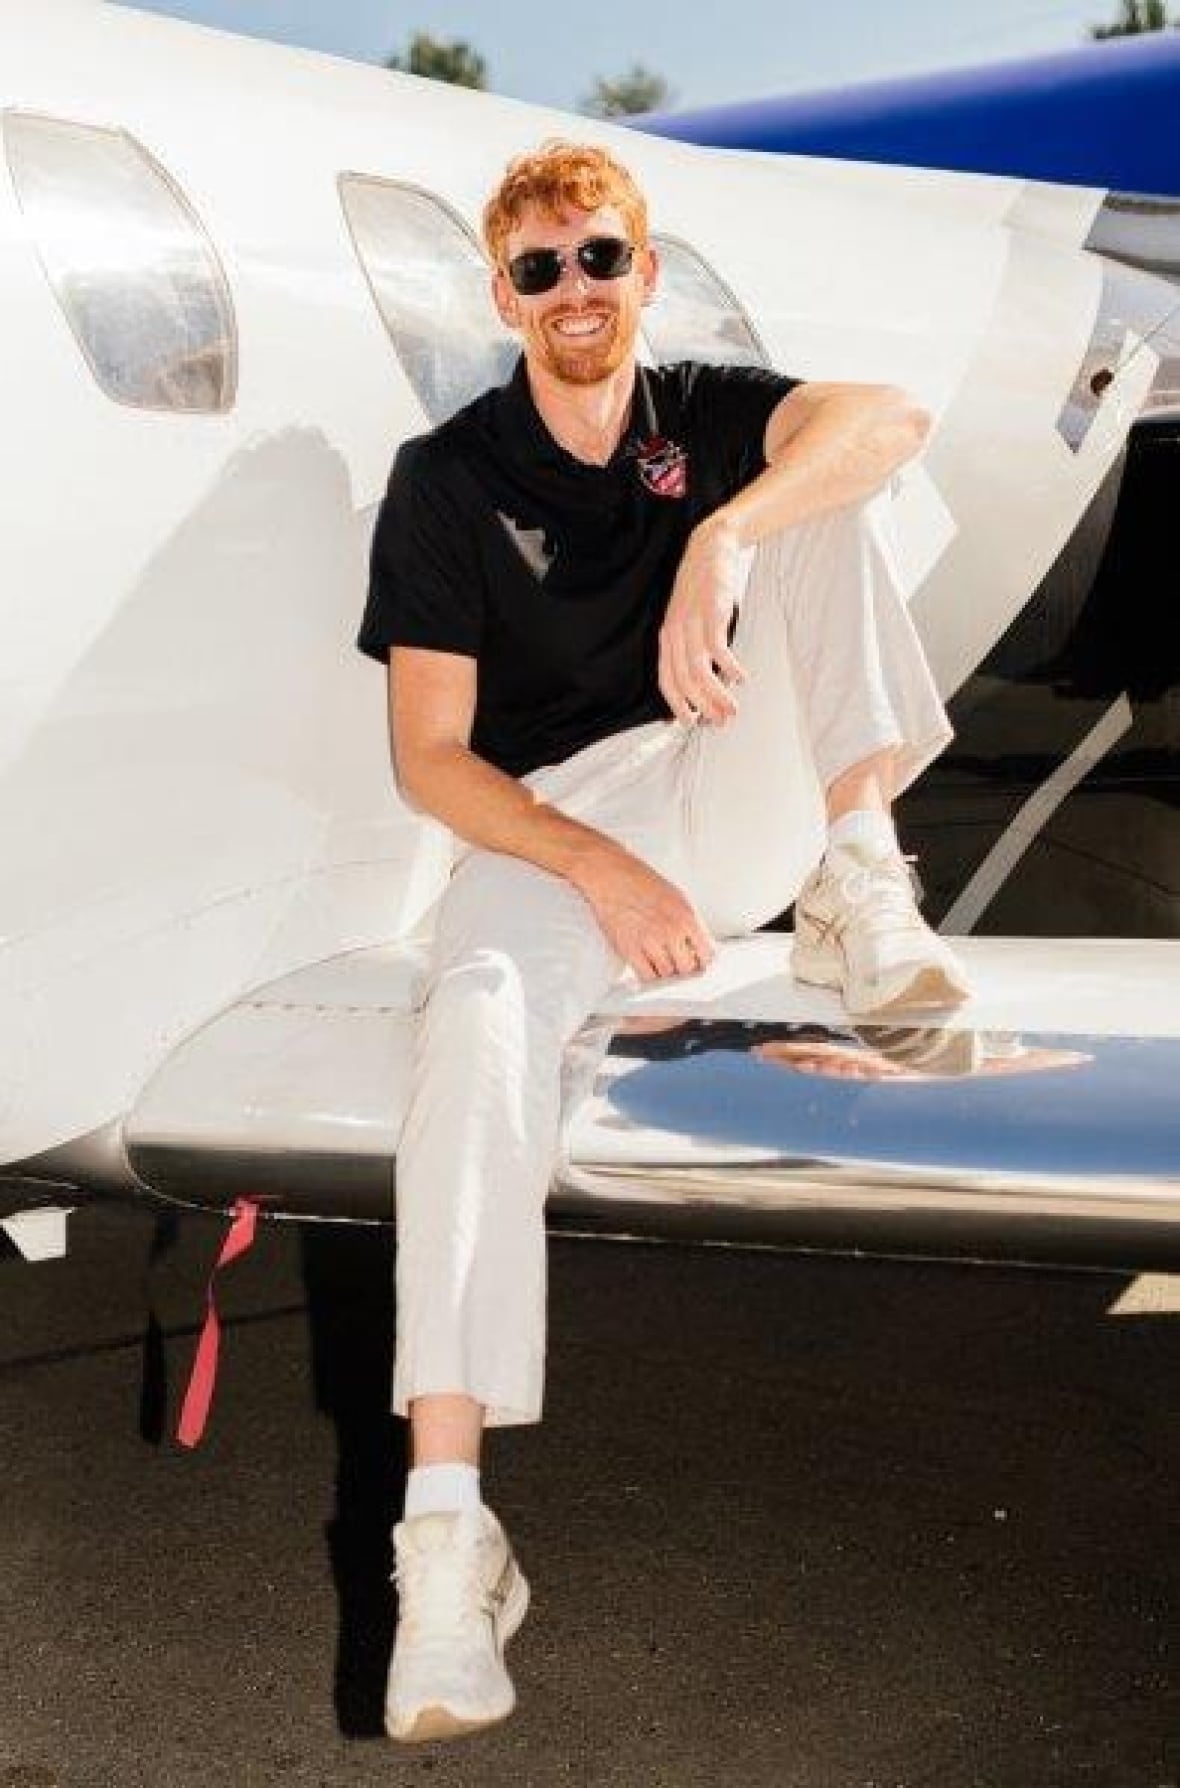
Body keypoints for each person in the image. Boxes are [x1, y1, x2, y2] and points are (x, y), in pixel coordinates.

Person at [355, 136, 971, 1744]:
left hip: (722, 774)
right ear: (504, 295)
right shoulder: (448, 479)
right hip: (552, 824)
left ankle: (861, 870)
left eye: (601, 257)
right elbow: (433, 761)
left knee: (825, 482)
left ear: (645, 269)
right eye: (541, 268)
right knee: (474, 1028)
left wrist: (725, 536)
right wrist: (599, 870)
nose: (576, 289)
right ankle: (449, 1544)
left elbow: (892, 420)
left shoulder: (701, 411)